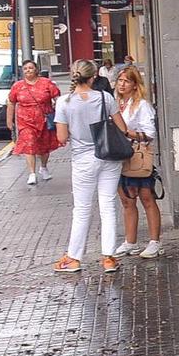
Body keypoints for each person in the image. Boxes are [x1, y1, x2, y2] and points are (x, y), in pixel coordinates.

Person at [53, 60, 133, 274]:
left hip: (83, 160)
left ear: (73, 75)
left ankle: (74, 258)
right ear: (94, 76)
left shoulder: (64, 102)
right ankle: (108, 257)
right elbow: (122, 128)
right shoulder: (106, 98)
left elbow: (61, 137)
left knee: (82, 209)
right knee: (108, 205)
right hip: (109, 156)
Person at [112, 65, 163, 260]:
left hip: (137, 155)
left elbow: (150, 134)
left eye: (126, 81)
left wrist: (125, 132)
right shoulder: (115, 103)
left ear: (135, 84)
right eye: (120, 80)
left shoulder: (142, 105)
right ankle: (130, 241)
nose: (122, 84)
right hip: (119, 156)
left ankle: (154, 241)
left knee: (147, 198)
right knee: (127, 200)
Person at [6, 59, 61, 186]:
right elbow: (11, 102)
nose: (28, 70)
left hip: (44, 119)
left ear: (36, 69)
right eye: (25, 69)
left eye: (31, 68)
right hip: (25, 121)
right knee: (29, 144)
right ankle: (32, 173)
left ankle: (44, 167)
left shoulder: (46, 83)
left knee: (44, 146)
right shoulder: (18, 86)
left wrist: (60, 116)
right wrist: (9, 120)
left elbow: (57, 98)